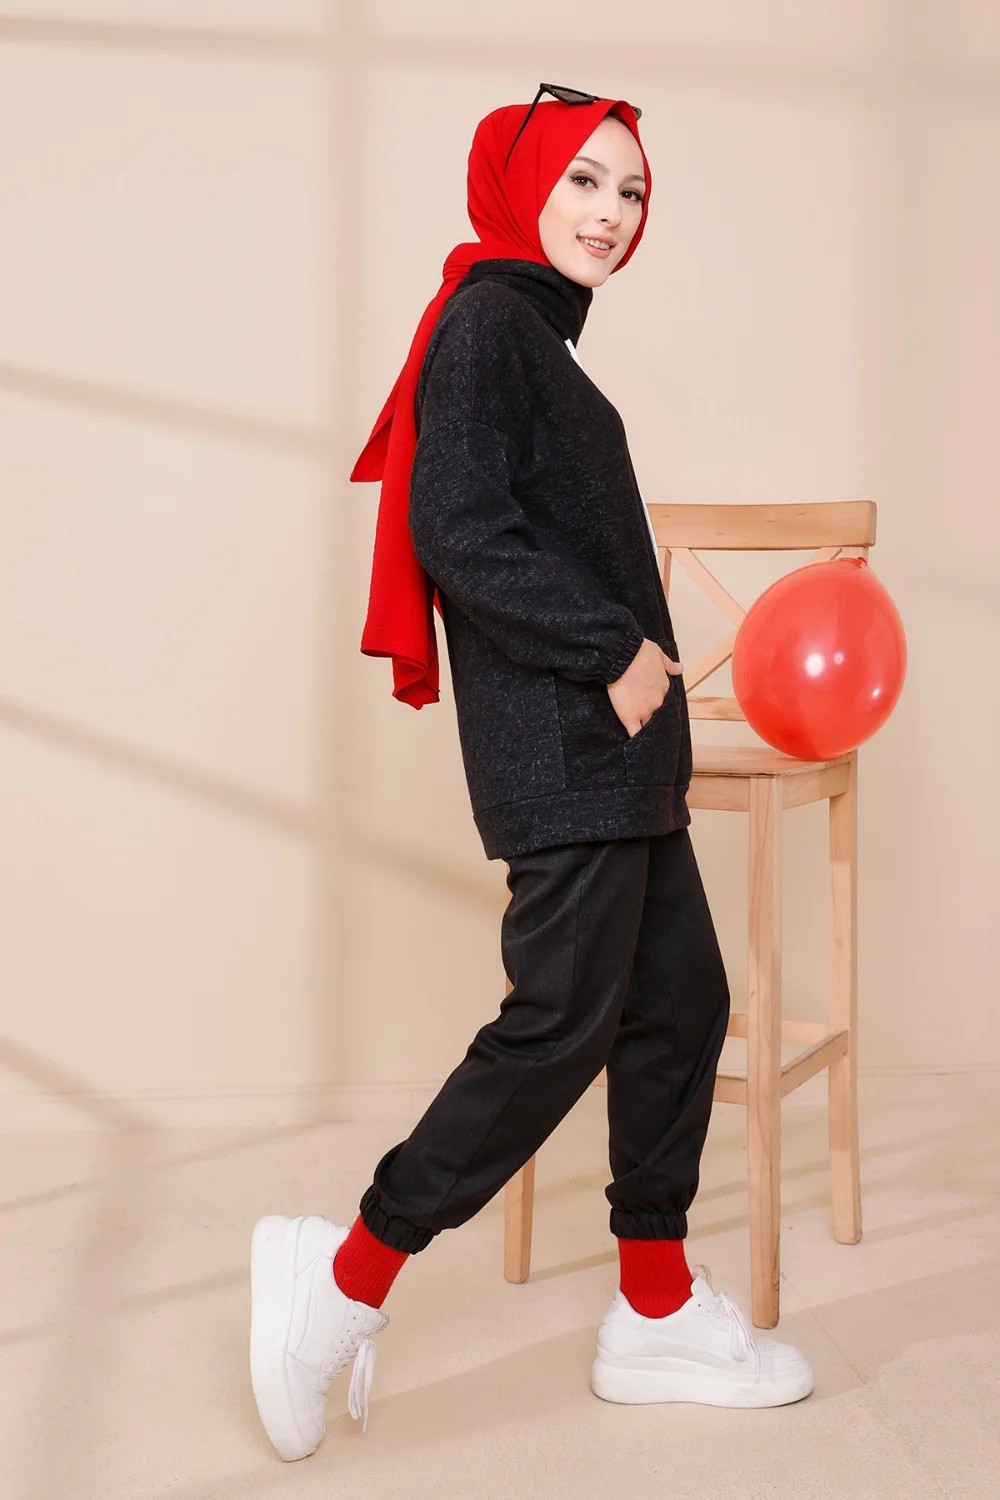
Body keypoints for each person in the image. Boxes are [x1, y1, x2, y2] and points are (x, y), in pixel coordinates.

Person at [249, 85, 814, 1464]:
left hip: (616, 752)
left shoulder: (534, 337)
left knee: (682, 1000)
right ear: (517, 184)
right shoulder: (492, 321)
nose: (611, 214)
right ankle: (342, 1279)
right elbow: (453, 523)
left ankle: (654, 1309)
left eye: (632, 191)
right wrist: (611, 646)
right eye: (583, 181)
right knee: (560, 1023)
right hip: (565, 745)